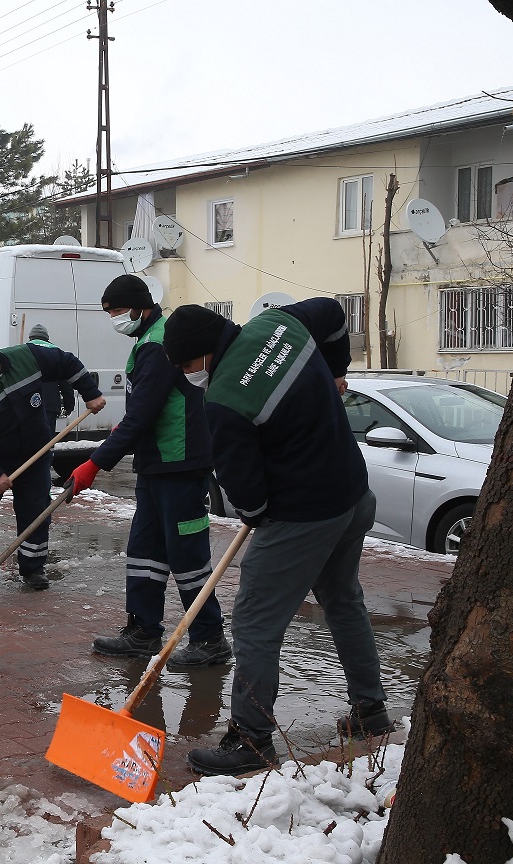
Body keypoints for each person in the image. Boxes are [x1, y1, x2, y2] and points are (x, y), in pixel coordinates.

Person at [162, 299, 394, 777]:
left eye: (188, 365)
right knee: (344, 601)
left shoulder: (224, 397)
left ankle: (250, 739)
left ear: (204, 353)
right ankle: (371, 712)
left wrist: (258, 512)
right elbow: (332, 311)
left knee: (253, 623)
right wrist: (334, 370)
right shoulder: (278, 323)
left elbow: (245, 489)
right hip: (353, 495)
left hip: (303, 516)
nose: (189, 375)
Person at [66, 274, 230, 670]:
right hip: (157, 465)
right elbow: (141, 413)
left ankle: (209, 638)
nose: (115, 319)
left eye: (119, 310)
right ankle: (143, 629)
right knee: (145, 551)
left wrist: (95, 462)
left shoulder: (158, 342)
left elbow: (144, 414)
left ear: (140, 305)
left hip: (181, 463)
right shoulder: (148, 339)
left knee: (187, 556)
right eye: (110, 313)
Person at [0, 329, 107, 600]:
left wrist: (90, 393)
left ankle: (33, 569)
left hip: (35, 454)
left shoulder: (27, 357)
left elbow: (67, 362)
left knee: (36, 511)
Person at [26, 324, 75, 436]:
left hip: (28, 406)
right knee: (47, 440)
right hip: (49, 405)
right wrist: (69, 406)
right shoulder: (56, 353)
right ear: (46, 338)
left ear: (30, 338)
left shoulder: (23, 353)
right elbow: (65, 384)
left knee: (31, 441)